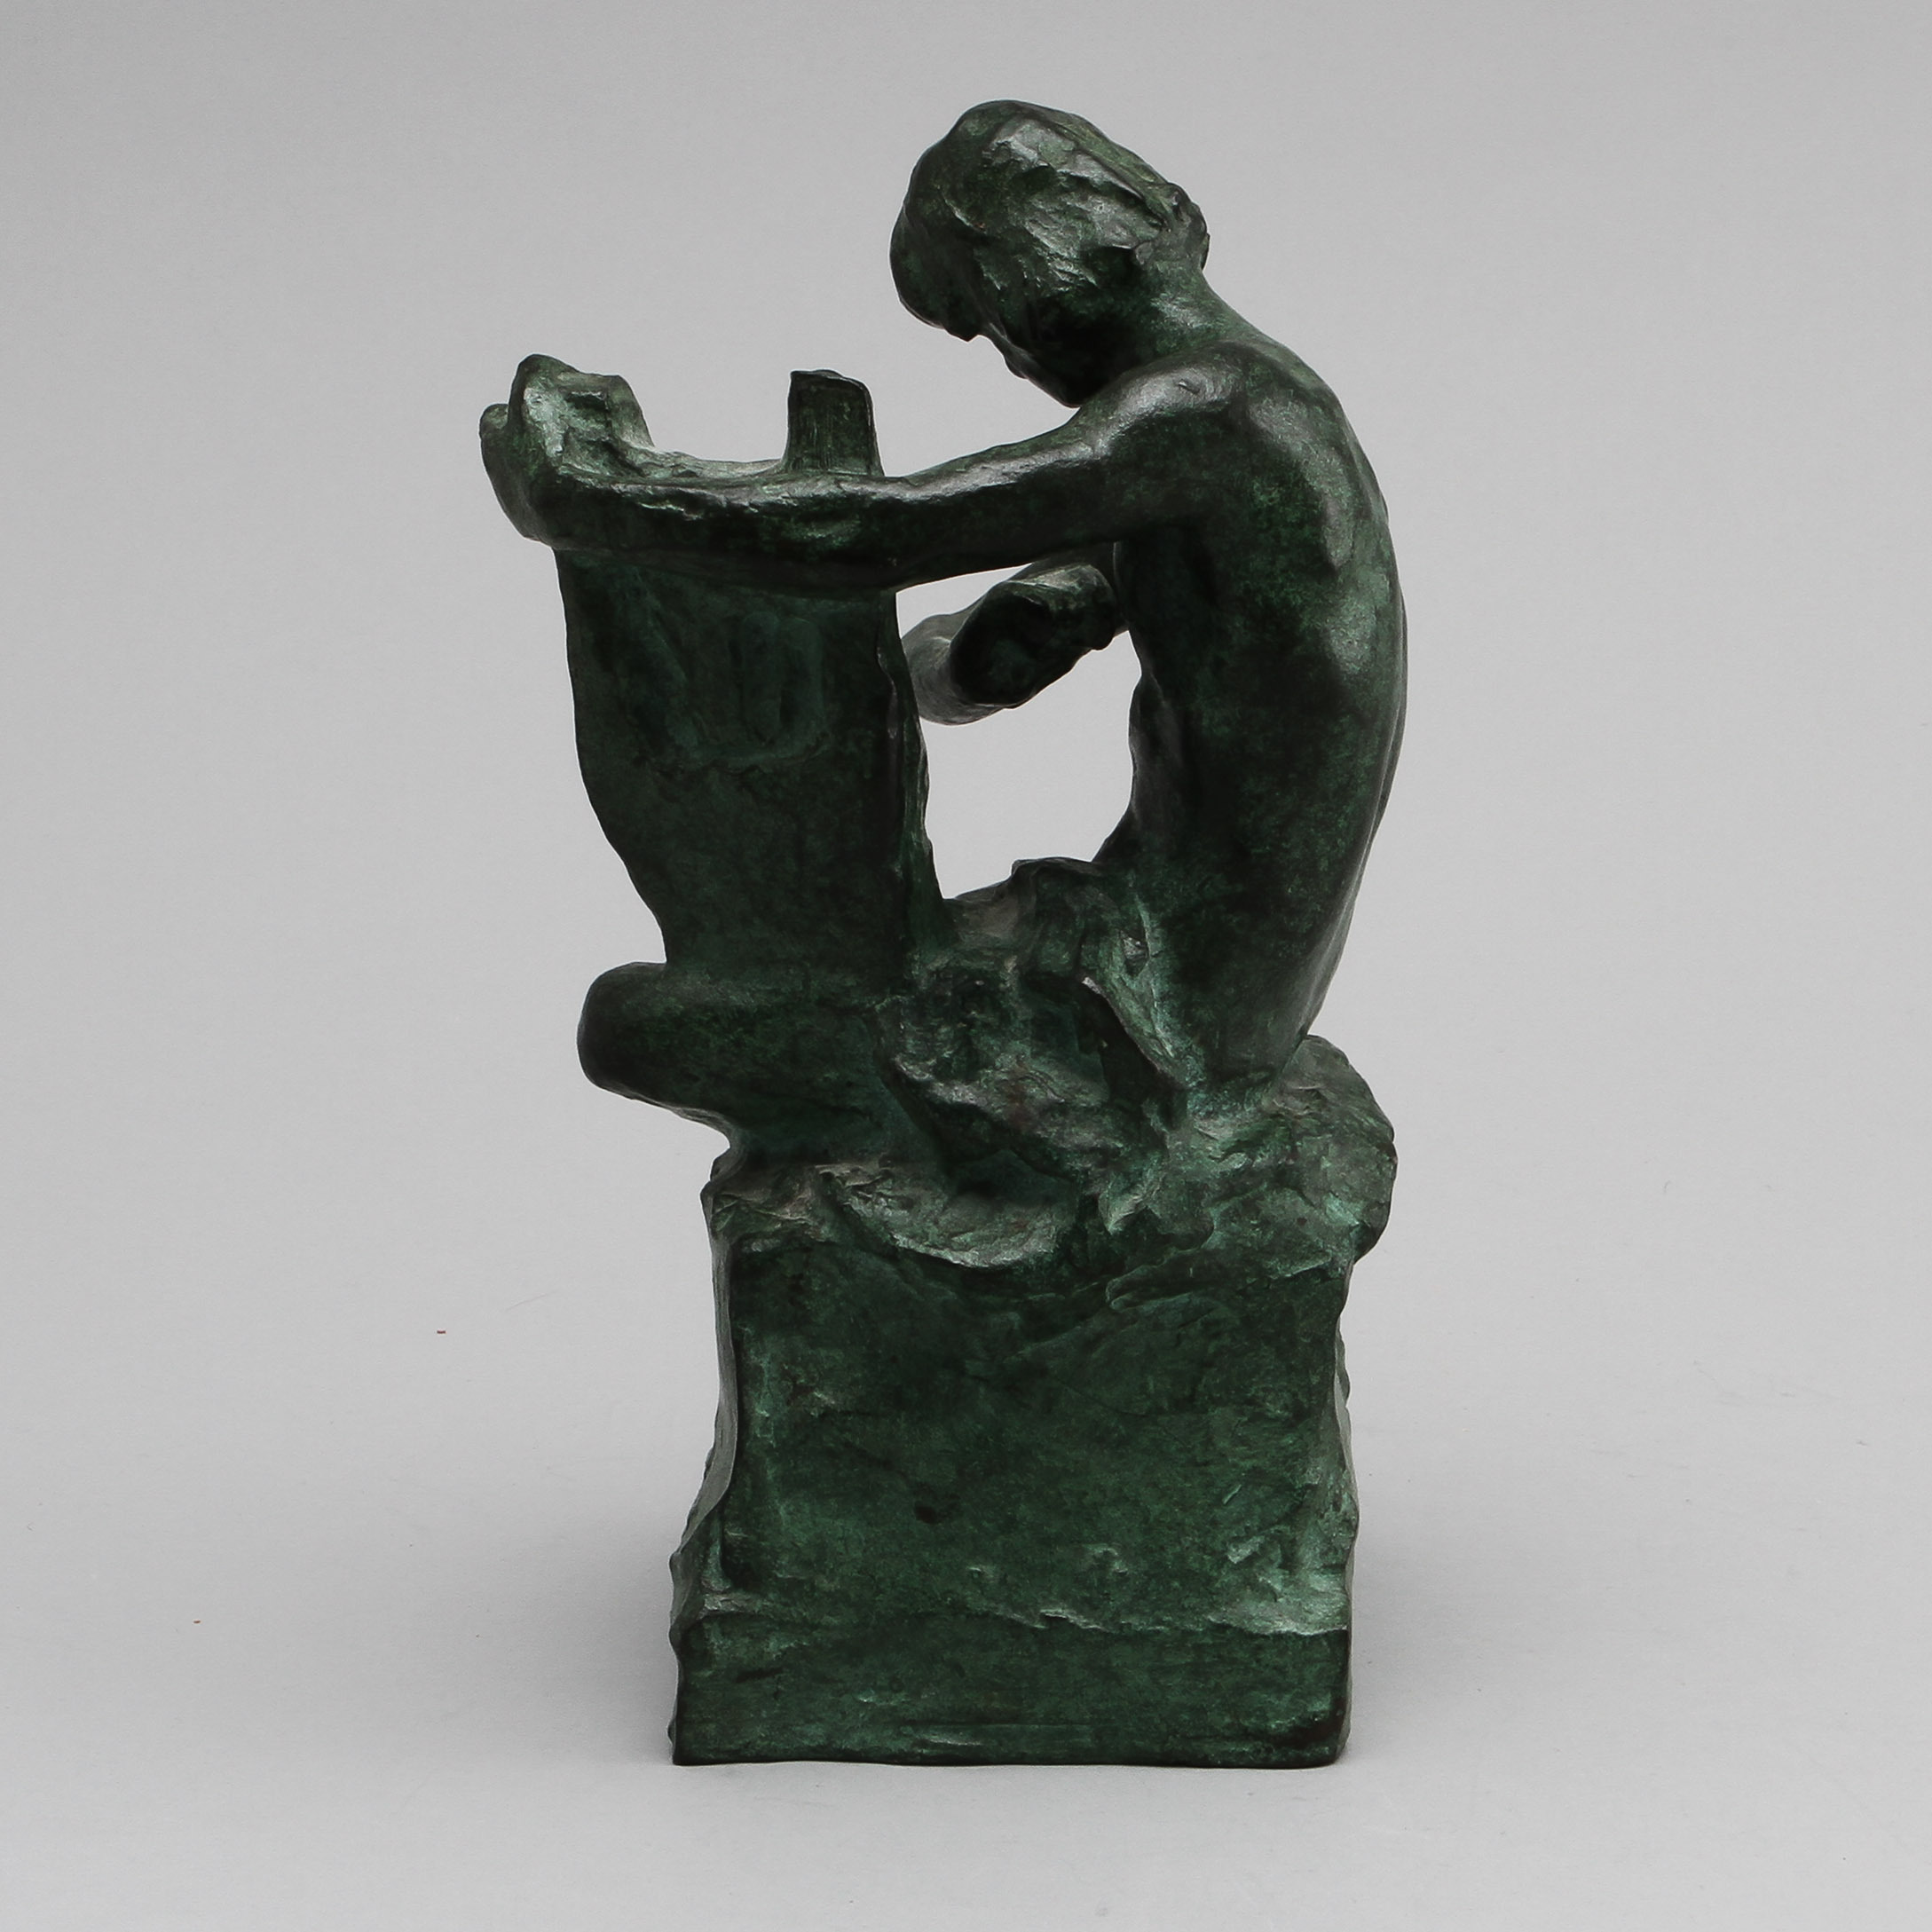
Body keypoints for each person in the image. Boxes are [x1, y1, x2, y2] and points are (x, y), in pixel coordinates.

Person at [484, 101, 1404, 1087]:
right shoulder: (1244, 428)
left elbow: (876, 532)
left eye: (985, 324)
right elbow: (951, 644)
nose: (1010, 358)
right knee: (706, 1003)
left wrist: (601, 501)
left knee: (635, 1026)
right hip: (1189, 949)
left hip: (1181, 998)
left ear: (1029, 280)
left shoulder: (1208, 413)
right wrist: (980, 651)